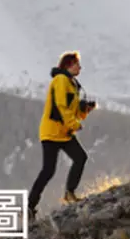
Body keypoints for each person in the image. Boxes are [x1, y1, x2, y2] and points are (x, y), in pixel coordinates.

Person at [29, 51, 94, 221]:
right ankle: (29, 207)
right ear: (68, 65)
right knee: (48, 171)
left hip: (63, 133)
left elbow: (72, 112)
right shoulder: (61, 81)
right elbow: (61, 107)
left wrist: (84, 110)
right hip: (51, 133)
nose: (80, 67)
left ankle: (69, 193)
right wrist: (74, 124)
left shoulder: (72, 83)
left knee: (80, 158)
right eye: (77, 64)